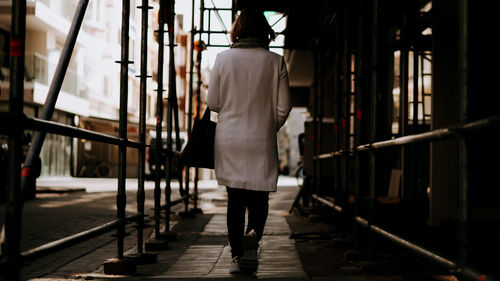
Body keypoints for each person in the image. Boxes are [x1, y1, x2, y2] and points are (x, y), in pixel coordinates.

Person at [206, 7, 291, 274]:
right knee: (259, 197)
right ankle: (252, 237)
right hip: (261, 139)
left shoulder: (222, 59)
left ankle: (236, 255)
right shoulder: (275, 61)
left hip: (229, 138)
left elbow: (213, 103)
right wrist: (267, 126)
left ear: (238, 29)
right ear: (263, 31)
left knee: (235, 198)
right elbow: (284, 107)